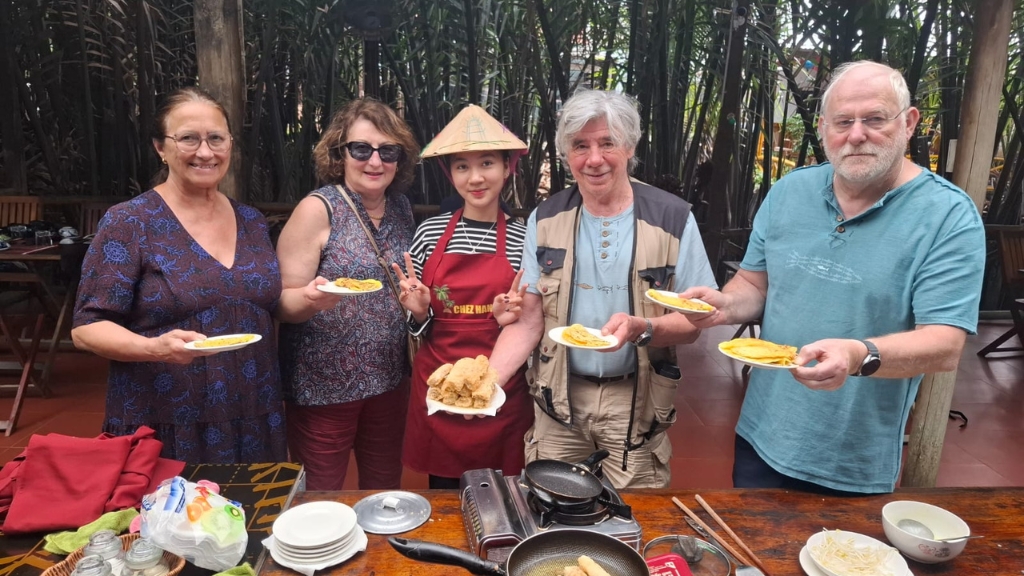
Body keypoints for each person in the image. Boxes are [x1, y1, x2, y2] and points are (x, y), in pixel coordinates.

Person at [682, 61, 986, 494]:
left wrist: (857, 354)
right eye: (843, 121)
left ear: (910, 122)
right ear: (823, 127)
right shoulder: (789, 192)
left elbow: (944, 344)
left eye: (875, 119)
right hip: (761, 433)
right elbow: (754, 285)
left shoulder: (947, 216)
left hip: (852, 458)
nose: (857, 134)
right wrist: (724, 305)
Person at [488, 89, 717, 489]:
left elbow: (697, 321)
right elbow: (528, 322)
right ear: (566, 154)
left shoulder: (673, 218)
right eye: (580, 146)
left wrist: (643, 328)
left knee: (631, 519)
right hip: (558, 400)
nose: (593, 159)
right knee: (551, 511)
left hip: (636, 402)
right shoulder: (545, 218)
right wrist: (483, 384)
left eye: (606, 143)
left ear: (629, 146)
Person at [71, 87, 285, 463]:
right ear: (161, 147)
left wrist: (315, 295)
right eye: (188, 138)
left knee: (256, 520)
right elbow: (87, 328)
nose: (205, 152)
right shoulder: (130, 222)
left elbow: (263, 301)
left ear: (230, 144)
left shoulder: (251, 220)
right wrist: (154, 348)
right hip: (167, 420)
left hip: (254, 414)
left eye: (216, 138)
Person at [275, 98, 419, 491]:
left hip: (390, 379)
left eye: (388, 151)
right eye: (362, 149)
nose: (375, 161)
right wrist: (309, 300)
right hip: (324, 384)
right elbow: (282, 303)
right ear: (340, 153)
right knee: (323, 492)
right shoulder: (318, 209)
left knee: (384, 488)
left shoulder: (402, 209)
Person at [391, 105, 532, 489]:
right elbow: (418, 324)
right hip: (440, 387)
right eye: (461, 167)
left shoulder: (524, 239)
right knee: (446, 496)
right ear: (449, 174)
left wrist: (510, 319)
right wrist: (418, 313)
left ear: (507, 168)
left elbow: (533, 321)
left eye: (487, 163)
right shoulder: (430, 233)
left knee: (507, 494)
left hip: (502, 387)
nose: (475, 178)